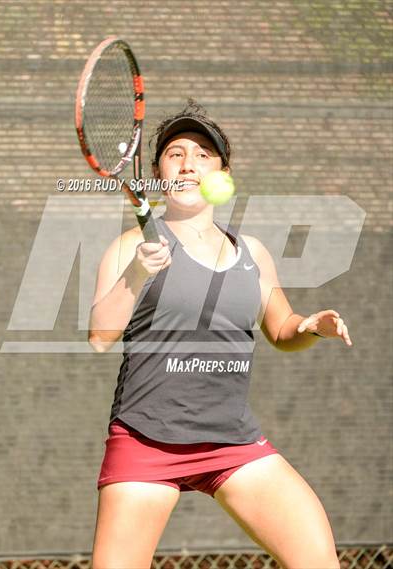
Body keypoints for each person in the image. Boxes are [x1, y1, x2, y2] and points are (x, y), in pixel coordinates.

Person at [89, 101, 350, 569]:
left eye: (204, 153)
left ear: (222, 173)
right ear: (155, 173)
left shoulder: (251, 252)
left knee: (319, 561)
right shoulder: (130, 246)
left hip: (232, 442)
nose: (189, 162)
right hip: (146, 441)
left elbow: (283, 330)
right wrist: (135, 274)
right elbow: (100, 336)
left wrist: (310, 327)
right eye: (176, 153)